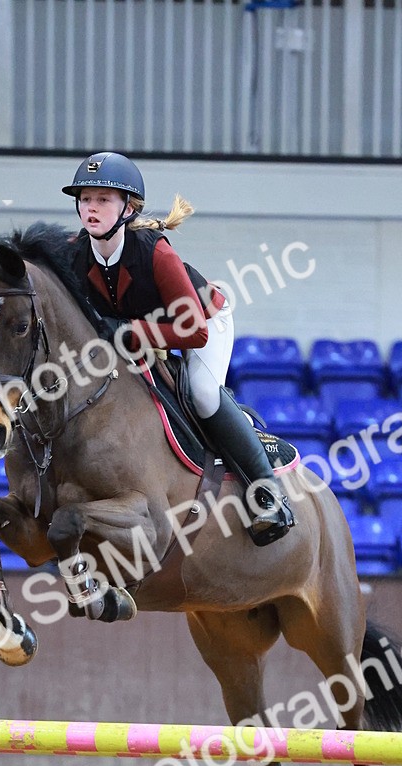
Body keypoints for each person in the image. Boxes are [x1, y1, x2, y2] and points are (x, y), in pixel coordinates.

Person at [63, 151, 294, 547]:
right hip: (143, 333)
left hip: (204, 321)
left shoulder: (156, 251)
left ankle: (267, 493)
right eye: (86, 199)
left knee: (202, 393)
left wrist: (131, 332)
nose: (91, 208)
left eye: (103, 199)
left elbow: (195, 333)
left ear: (128, 208)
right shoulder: (74, 254)